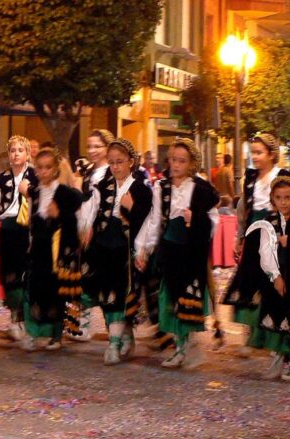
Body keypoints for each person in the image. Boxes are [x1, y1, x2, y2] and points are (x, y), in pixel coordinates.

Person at [227, 171, 290, 381]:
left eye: (288, 197)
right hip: (277, 279)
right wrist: (275, 277)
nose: (283, 202)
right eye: (279, 197)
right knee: (278, 317)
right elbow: (263, 251)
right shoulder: (268, 221)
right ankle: (279, 356)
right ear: (272, 199)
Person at [135, 138, 219, 368]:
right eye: (173, 160)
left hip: (191, 251)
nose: (176, 165)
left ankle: (185, 345)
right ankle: (180, 345)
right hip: (169, 248)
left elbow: (213, 219)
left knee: (187, 298)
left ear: (191, 163)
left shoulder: (200, 189)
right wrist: (143, 248)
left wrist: (196, 219)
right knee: (169, 297)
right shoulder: (162, 187)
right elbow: (154, 220)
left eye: (182, 161)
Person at [79, 138, 152, 364]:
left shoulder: (141, 189)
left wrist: (132, 209)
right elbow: (93, 208)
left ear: (131, 161)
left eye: (120, 162)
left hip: (125, 246)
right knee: (104, 293)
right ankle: (122, 336)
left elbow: (148, 221)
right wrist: (88, 227)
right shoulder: (103, 186)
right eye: (111, 162)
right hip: (103, 244)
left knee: (120, 293)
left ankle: (114, 343)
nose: (116, 167)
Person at [18, 148, 83, 351]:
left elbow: (78, 207)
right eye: (40, 167)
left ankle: (56, 336)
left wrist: (60, 213)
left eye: (48, 167)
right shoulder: (36, 192)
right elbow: (31, 220)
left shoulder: (64, 192)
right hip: (39, 249)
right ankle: (32, 333)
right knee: (34, 290)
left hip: (57, 251)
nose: (43, 171)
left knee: (56, 292)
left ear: (55, 169)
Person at [0, 135, 39, 342]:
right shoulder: (0, 179)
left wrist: (29, 193)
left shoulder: (37, 176)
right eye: (13, 150)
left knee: (30, 275)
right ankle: (15, 319)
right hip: (9, 228)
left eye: (20, 150)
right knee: (10, 275)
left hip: (32, 229)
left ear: (27, 154)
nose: (16, 154)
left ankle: (29, 319)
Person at [225, 133, 281, 356]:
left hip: (274, 234)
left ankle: (271, 337)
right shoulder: (249, 179)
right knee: (249, 283)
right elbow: (243, 210)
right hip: (253, 233)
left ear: (271, 154)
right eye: (253, 153)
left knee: (271, 284)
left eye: (259, 153)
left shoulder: (281, 176)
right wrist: (239, 237)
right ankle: (250, 337)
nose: (255, 157)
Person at [72, 129, 115, 341]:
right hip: (83, 229)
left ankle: (114, 328)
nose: (92, 150)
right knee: (84, 279)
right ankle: (83, 325)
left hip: (102, 232)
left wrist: (93, 227)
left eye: (97, 146)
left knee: (105, 281)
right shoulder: (87, 171)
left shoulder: (111, 172)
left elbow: (104, 204)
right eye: (89, 146)